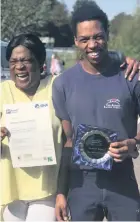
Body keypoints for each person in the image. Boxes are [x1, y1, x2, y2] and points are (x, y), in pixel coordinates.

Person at [53, 2, 140, 221]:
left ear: (107, 35)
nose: (92, 44)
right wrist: (61, 192)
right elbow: (68, 141)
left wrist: (134, 142)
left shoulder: (131, 77)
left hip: (122, 182)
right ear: (75, 41)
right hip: (81, 185)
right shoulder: (63, 83)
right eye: (84, 39)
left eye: (98, 36)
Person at [0, 33, 63, 221]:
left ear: (40, 62)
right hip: (11, 192)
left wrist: (121, 67)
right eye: (13, 61)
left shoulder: (57, 86)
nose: (19, 66)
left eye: (26, 60)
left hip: (48, 191)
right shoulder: (3, 91)